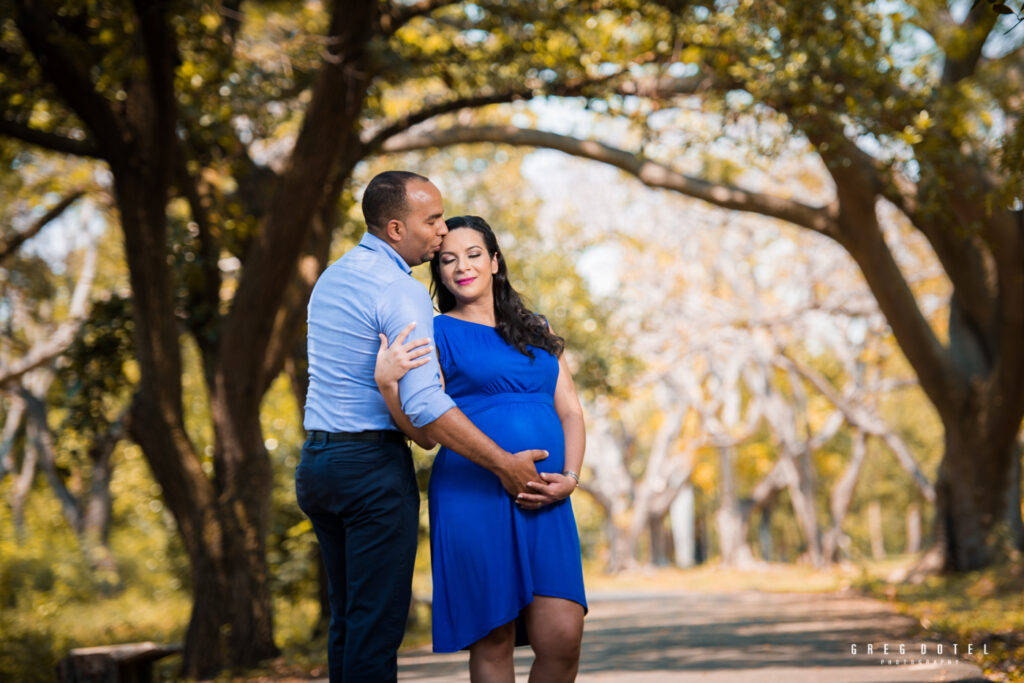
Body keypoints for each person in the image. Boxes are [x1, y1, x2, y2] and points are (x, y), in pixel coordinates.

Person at [296, 172, 548, 683]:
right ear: (395, 228)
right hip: (370, 470)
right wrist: (504, 465)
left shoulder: (334, 276)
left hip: (319, 466)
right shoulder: (400, 291)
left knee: (346, 621)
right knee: (375, 629)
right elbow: (428, 407)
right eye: (431, 221)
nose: (441, 232)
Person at [376, 215, 587, 682]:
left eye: (473, 255)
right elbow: (426, 434)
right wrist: (389, 387)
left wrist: (570, 478)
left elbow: (570, 411)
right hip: (471, 495)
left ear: (494, 261)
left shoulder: (537, 327)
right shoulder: (435, 330)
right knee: (494, 640)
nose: (461, 267)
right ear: (439, 271)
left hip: (546, 496)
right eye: (448, 259)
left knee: (563, 638)